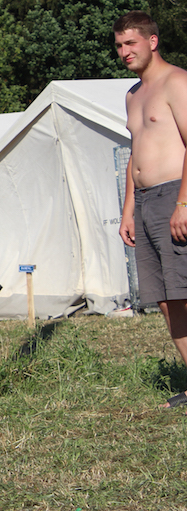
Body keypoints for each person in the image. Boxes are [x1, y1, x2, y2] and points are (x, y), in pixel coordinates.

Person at [114, 11, 187, 411]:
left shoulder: (176, 82)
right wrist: (128, 209)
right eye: (119, 45)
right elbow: (134, 154)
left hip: (176, 195)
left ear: (152, 41)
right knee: (165, 298)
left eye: (131, 43)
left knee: (185, 292)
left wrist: (183, 203)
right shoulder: (132, 95)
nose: (124, 51)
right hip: (144, 202)